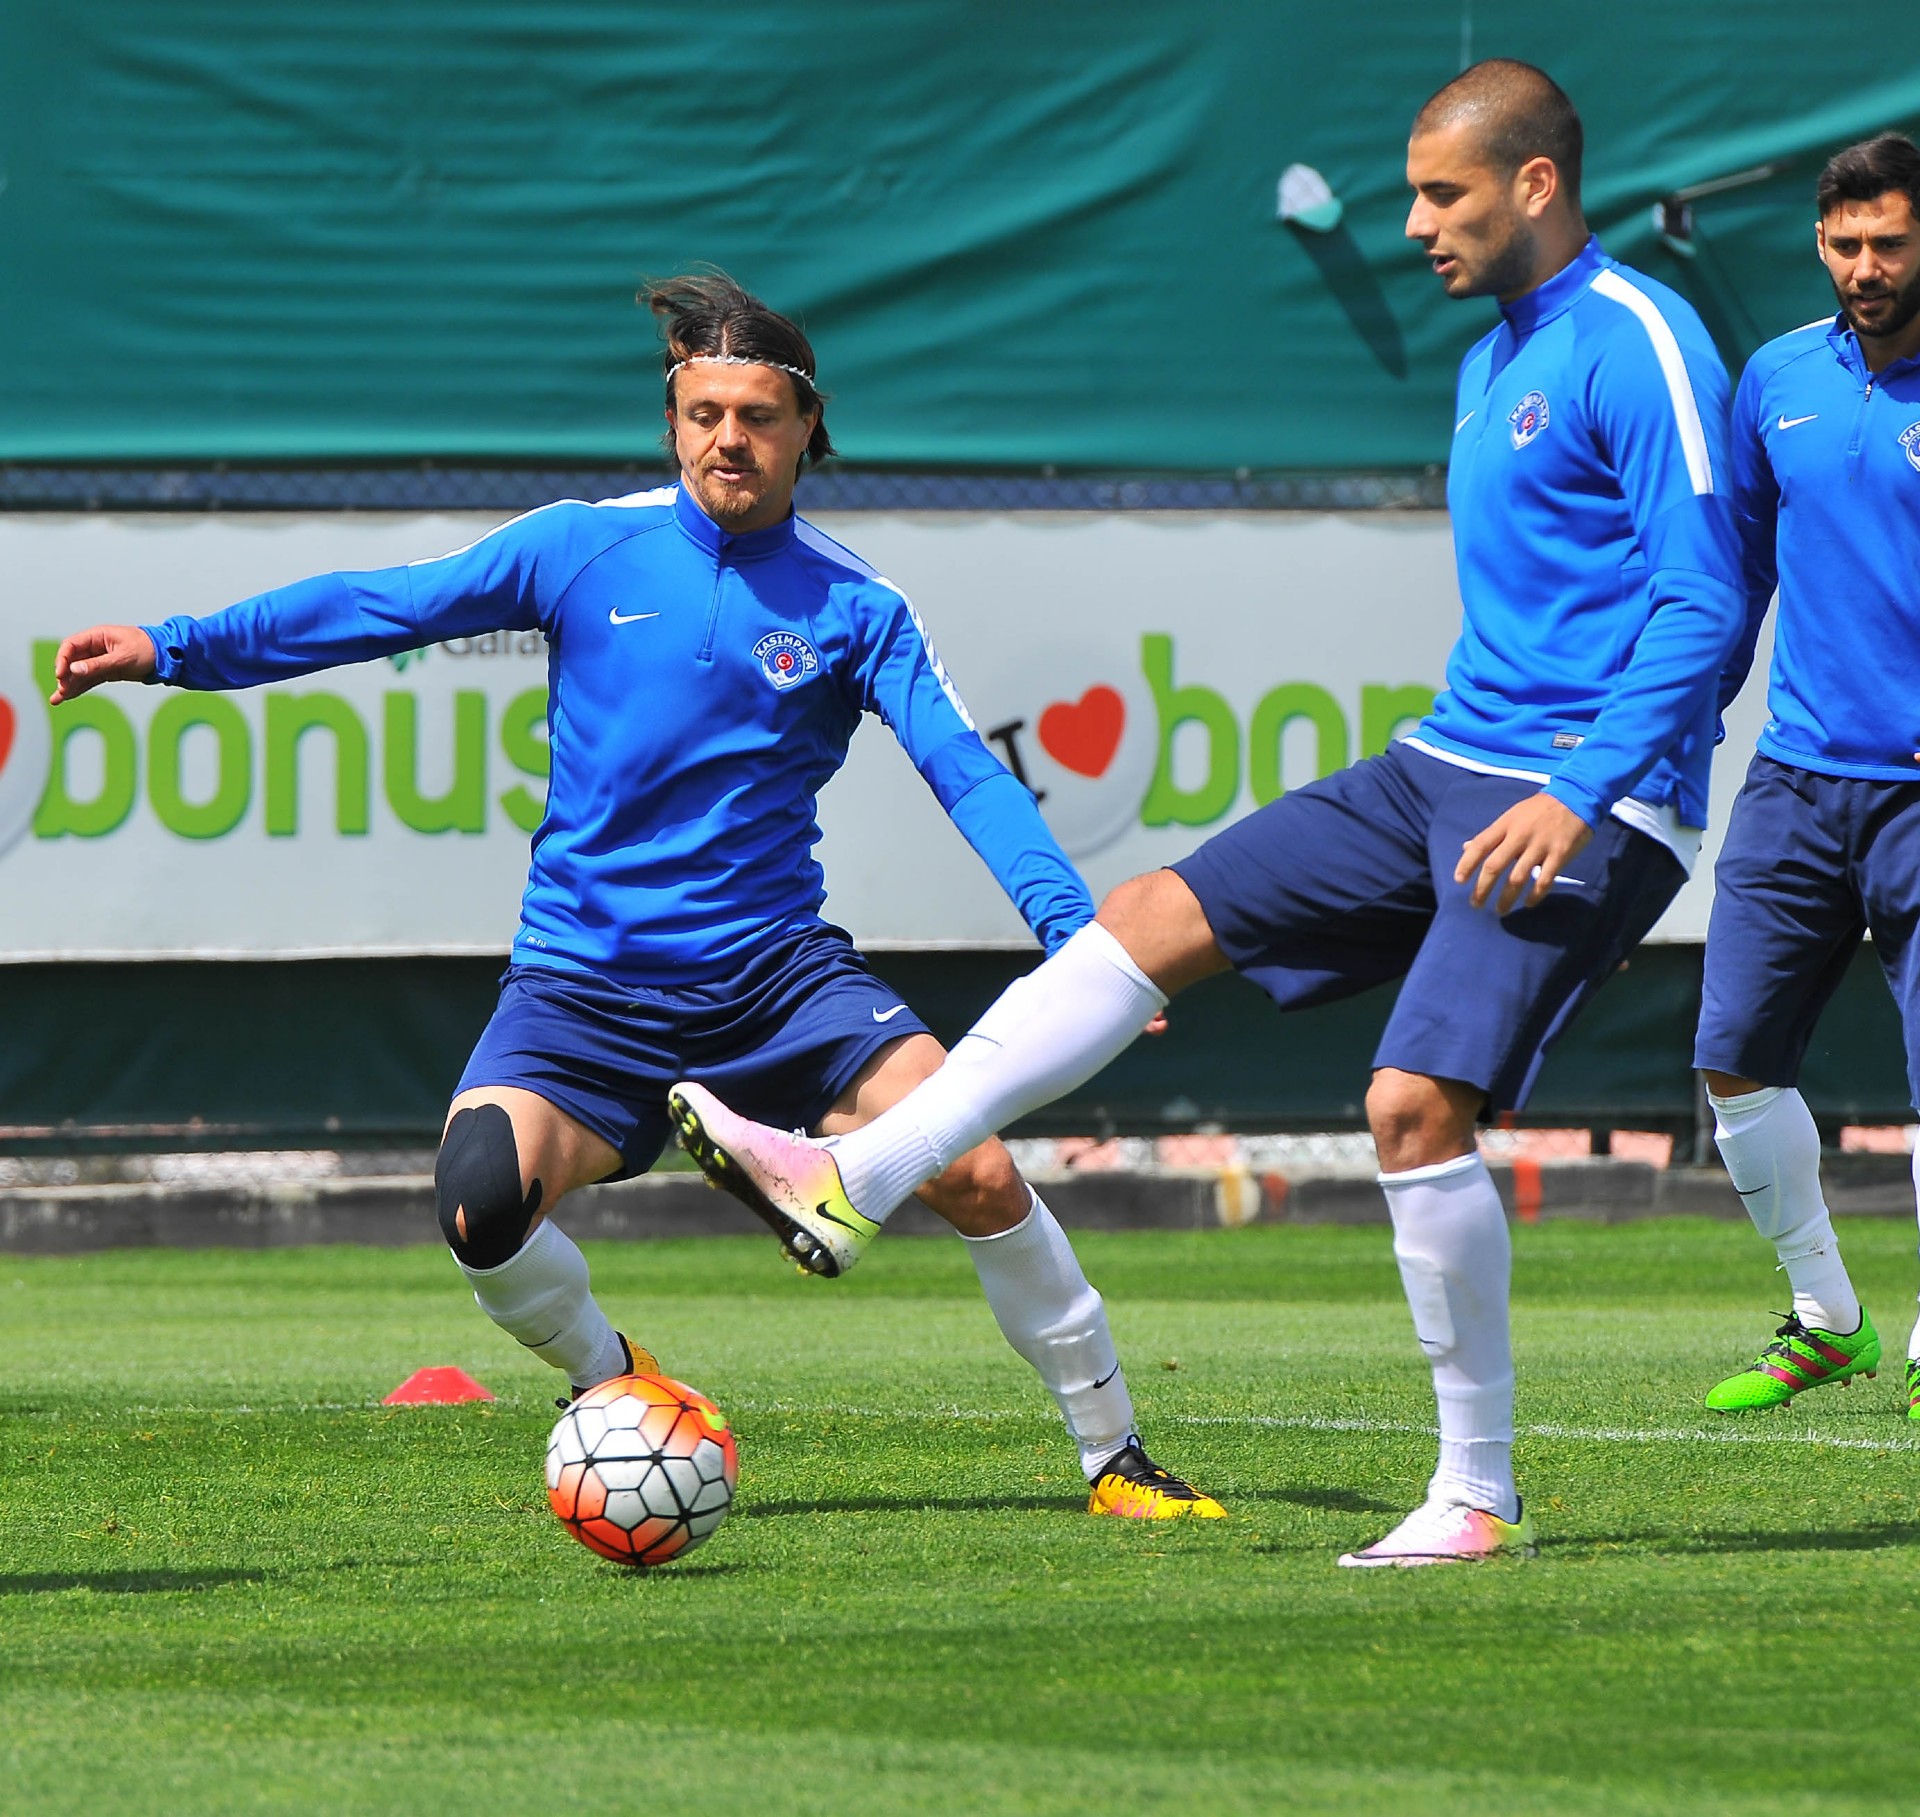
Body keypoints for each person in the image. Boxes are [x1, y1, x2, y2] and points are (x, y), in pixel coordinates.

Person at [670, 62, 1744, 1567]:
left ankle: (1477, 1494)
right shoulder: (1489, 358)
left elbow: (1709, 597)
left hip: (1591, 796)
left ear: (1536, 185)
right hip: (1448, 759)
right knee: (1147, 916)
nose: (1415, 223)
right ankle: (864, 1176)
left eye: (1442, 194)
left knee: (1410, 1106)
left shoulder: (1641, 338)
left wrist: (1582, 792)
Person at [49, 273, 1223, 1521]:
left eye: (758, 416)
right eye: (705, 413)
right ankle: (617, 1377)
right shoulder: (581, 546)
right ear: (673, 422)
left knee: (976, 1170)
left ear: (807, 428)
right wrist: (176, 648)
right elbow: (385, 605)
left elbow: (967, 773)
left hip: (778, 982)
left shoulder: (858, 605)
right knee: (477, 1203)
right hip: (581, 990)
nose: (730, 439)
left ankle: (1116, 1456)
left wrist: (1074, 939)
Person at [1693, 133, 1920, 1422]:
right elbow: (1737, 573)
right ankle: (1828, 1315)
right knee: (1731, 1055)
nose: (1866, 266)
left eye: (1889, 242)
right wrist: (1692, 720)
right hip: (1794, 780)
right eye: (1845, 244)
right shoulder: (1776, 374)